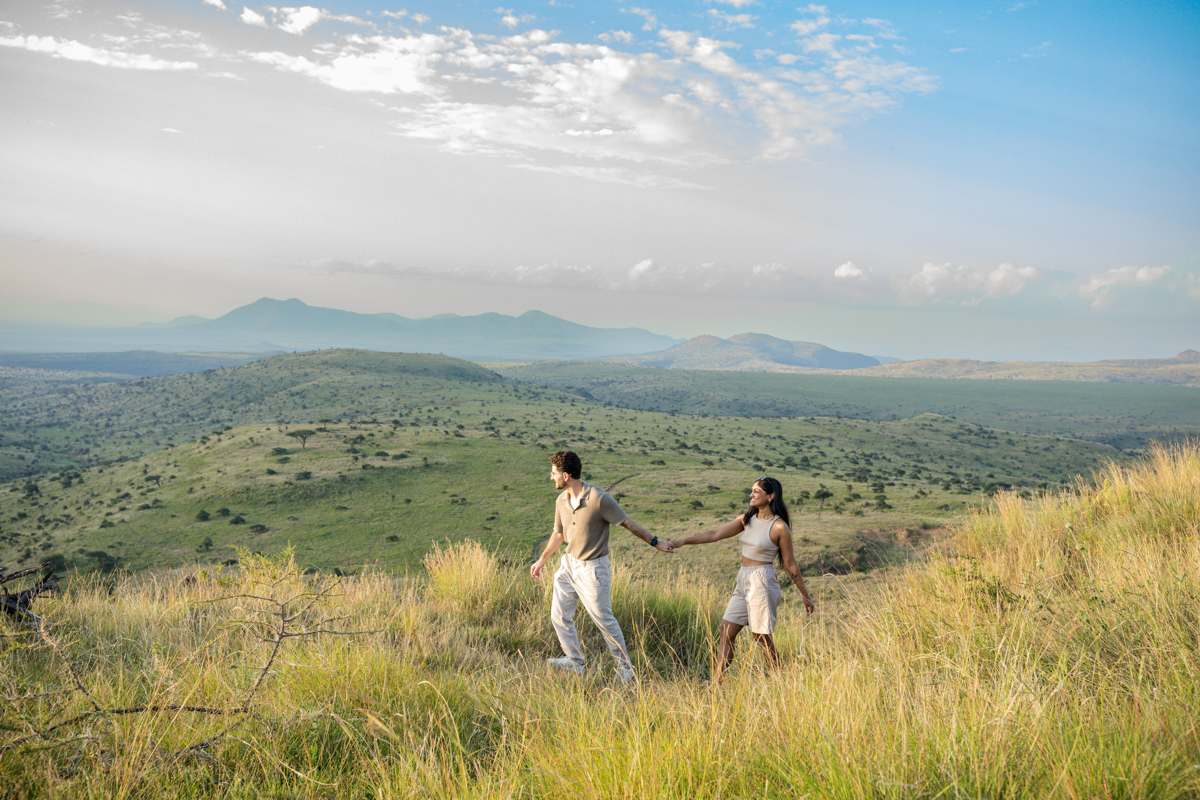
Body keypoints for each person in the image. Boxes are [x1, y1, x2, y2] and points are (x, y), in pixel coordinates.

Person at [530, 450, 674, 683]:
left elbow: (628, 523)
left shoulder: (599, 498)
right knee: (559, 615)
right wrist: (542, 559)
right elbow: (558, 534)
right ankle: (575, 661)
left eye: (554, 473)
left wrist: (655, 542)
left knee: (603, 619)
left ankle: (626, 669)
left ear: (566, 475)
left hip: (593, 569)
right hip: (568, 564)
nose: (551, 477)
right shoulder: (561, 500)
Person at [669, 476, 814, 682]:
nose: (751, 494)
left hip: (762, 580)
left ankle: (781, 680)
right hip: (743, 579)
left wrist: (805, 595)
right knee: (726, 631)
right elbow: (715, 534)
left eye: (757, 492)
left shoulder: (779, 527)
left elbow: (790, 564)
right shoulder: (746, 519)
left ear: (770, 496)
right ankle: (716, 685)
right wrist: (682, 542)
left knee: (761, 638)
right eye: (752, 490)